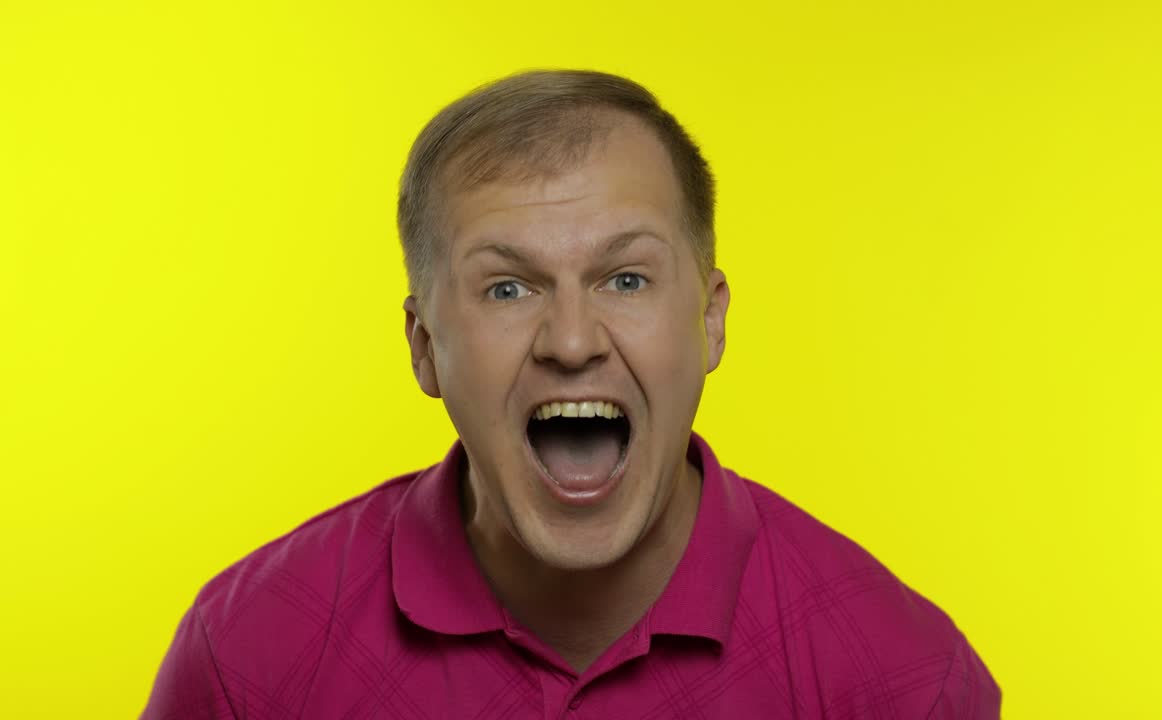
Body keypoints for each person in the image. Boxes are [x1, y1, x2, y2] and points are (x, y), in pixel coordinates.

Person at [140, 69, 1001, 719]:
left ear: (709, 321)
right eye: (508, 288)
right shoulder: (247, 655)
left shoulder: (902, 680)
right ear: (424, 345)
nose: (573, 341)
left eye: (625, 279)